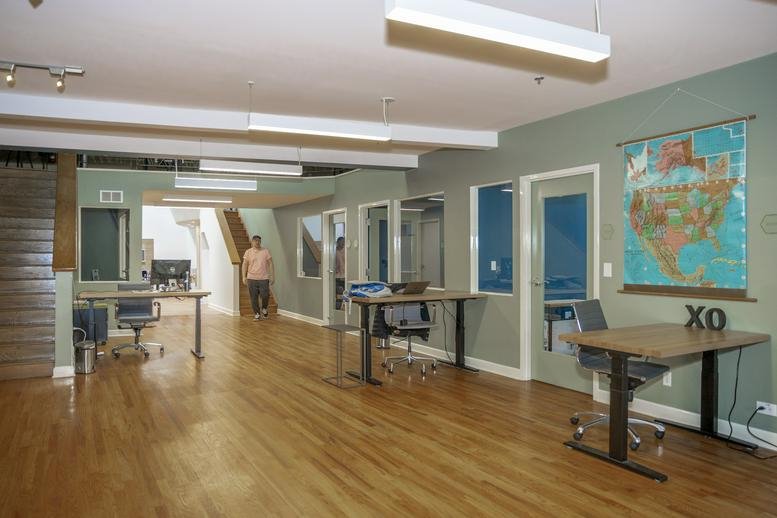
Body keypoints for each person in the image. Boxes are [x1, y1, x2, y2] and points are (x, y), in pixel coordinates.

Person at [242, 235, 274, 320]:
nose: (257, 242)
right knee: (253, 297)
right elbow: (244, 264)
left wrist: (272, 276)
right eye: (255, 240)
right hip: (251, 278)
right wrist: (243, 277)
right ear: (252, 242)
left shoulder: (265, 251)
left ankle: (264, 308)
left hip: (264, 278)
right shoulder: (248, 252)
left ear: (260, 242)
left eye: (259, 241)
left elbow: (270, 263)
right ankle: (257, 313)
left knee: (265, 295)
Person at [335, 236, 345, 310]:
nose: (342, 243)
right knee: (338, 293)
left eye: (343, 242)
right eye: (341, 242)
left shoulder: (346, 251)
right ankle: (337, 309)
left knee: (344, 294)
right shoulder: (334, 251)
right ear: (337, 242)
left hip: (345, 275)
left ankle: (342, 309)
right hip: (337, 276)